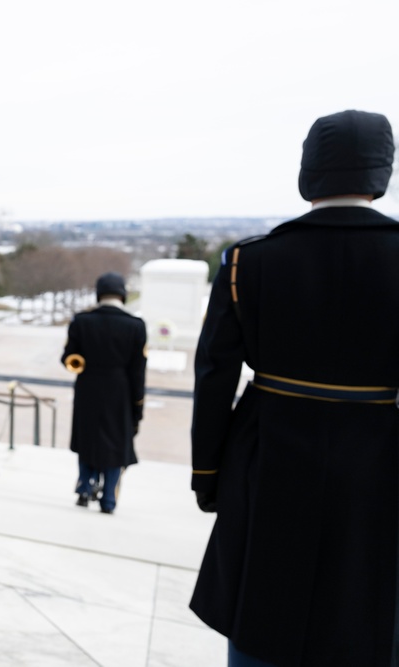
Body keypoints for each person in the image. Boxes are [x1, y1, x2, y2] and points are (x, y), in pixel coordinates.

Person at [190, 109, 399, 666]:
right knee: (367, 620)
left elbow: (214, 377)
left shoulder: (247, 261)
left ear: (309, 171)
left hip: (270, 460)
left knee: (262, 619)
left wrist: (208, 477)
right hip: (381, 467)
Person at [60, 272, 146, 514]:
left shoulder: (81, 321)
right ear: (123, 295)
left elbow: (68, 357)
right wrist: (138, 407)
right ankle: (108, 499)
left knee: (87, 438)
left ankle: (84, 488)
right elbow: (138, 372)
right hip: (120, 392)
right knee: (116, 445)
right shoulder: (136, 326)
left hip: (87, 388)